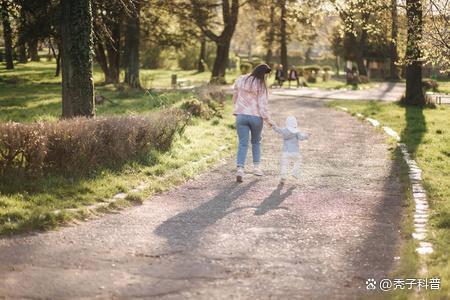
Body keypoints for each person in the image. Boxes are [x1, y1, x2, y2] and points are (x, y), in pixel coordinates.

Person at [232, 64, 272, 183]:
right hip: (256, 118)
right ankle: (256, 168)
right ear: (263, 74)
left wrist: (237, 109)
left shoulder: (241, 79)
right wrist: (268, 120)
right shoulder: (261, 85)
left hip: (241, 116)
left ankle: (240, 169)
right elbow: (263, 105)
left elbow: (235, 96)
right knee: (256, 142)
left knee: (243, 143)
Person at [271, 116, 308, 183]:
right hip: (295, 152)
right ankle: (295, 172)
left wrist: (273, 126)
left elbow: (278, 130)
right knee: (298, 160)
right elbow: (301, 138)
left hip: (286, 152)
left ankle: (283, 177)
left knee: (284, 164)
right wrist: (306, 136)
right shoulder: (297, 132)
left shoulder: (284, 130)